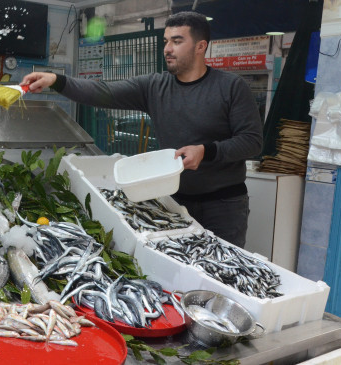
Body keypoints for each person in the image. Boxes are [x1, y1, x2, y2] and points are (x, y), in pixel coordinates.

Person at [21, 11, 263, 248]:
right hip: (173, 202)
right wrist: (57, 81)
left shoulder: (231, 87)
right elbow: (104, 92)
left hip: (224, 205)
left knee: (224, 275)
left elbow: (252, 141)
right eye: (166, 41)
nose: (168, 48)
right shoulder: (154, 86)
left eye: (177, 41)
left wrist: (206, 151)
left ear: (200, 47)